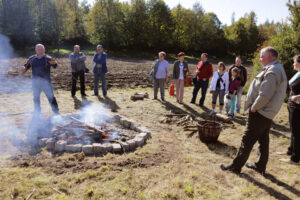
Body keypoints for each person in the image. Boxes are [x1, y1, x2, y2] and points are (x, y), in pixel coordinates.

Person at [220, 47, 287, 174]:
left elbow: (265, 94)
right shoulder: (275, 68)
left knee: (247, 139)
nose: (260, 58)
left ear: (271, 57)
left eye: (262, 56)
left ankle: (235, 166)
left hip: (260, 111)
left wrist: (254, 108)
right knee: (263, 140)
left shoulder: (273, 70)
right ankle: (260, 166)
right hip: (266, 112)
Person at [22, 44, 59, 115]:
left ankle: (56, 111)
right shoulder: (32, 58)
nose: (40, 50)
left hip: (46, 82)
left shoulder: (48, 58)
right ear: (36, 50)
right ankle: (37, 111)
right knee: (36, 97)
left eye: (41, 49)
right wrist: (23, 68)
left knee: (51, 97)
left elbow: (55, 65)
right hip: (35, 82)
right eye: (38, 49)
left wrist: (54, 63)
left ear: (44, 50)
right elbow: (25, 66)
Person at [280, 55, 300, 165]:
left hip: (298, 107)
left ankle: (295, 159)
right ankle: (290, 151)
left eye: (295, 62)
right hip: (292, 106)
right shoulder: (298, 73)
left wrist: (296, 97)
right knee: (293, 130)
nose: (293, 64)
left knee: (297, 132)